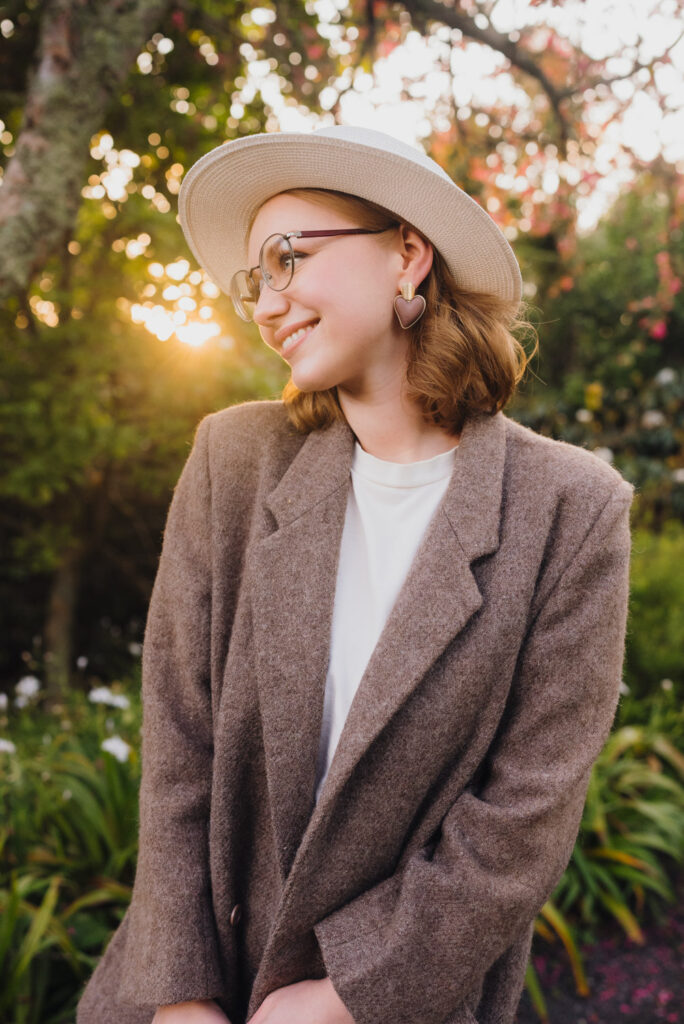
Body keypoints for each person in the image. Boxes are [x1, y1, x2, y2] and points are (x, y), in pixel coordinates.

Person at [77, 125, 634, 1024]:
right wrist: (180, 994)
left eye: (288, 258)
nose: (266, 303)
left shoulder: (572, 510)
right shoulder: (233, 460)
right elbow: (180, 747)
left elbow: (523, 818)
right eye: (256, 279)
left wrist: (348, 993)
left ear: (407, 255)